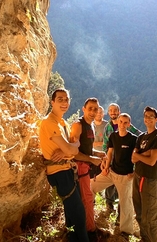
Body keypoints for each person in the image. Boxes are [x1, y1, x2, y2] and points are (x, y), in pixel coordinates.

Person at [38, 88, 89, 242]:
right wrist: (69, 149)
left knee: (71, 212)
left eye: (66, 99)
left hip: (66, 170)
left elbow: (73, 148)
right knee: (79, 213)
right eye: (60, 99)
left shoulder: (63, 123)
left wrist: (70, 149)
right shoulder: (49, 123)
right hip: (58, 172)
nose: (64, 102)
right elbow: (71, 149)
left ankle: (72, 238)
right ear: (52, 102)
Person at [91, 113, 137, 237]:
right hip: (111, 172)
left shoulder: (133, 139)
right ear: (117, 122)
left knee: (126, 204)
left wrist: (134, 172)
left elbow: (136, 156)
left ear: (129, 124)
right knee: (90, 185)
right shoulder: (113, 136)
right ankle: (87, 215)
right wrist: (105, 168)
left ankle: (126, 232)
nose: (122, 124)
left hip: (125, 177)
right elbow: (110, 153)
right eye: (121, 121)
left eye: (125, 122)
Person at [70, 97, 109, 241]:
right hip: (79, 167)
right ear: (83, 109)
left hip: (85, 166)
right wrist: (92, 159)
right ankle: (90, 231)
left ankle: (88, 228)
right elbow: (73, 152)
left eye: (96, 109)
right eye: (90, 108)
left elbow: (85, 148)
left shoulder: (90, 125)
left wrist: (97, 153)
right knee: (87, 198)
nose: (93, 111)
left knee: (87, 198)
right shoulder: (78, 125)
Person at [132, 106, 157, 242]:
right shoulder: (141, 137)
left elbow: (152, 161)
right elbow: (132, 158)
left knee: (150, 217)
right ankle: (144, 238)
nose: (148, 119)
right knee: (139, 213)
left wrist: (139, 154)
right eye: (146, 116)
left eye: (151, 116)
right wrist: (144, 154)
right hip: (137, 175)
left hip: (149, 180)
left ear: (156, 119)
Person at [102, 103, 141, 213]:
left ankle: (121, 210)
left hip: (125, 161)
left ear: (119, 112)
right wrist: (105, 160)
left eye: (115, 110)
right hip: (112, 160)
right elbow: (105, 144)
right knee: (110, 184)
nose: (113, 112)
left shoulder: (127, 124)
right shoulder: (108, 127)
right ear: (108, 113)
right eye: (110, 110)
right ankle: (109, 205)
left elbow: (139, 135)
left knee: (123, 188)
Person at [89, 105, 108, 178]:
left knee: (103, 179)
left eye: (101, 112)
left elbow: (109, 142)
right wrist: (101, 143)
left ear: (103, 114)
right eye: (97, 112)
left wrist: (96, 144)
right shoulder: (90, 125)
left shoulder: (107, 125)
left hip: (104, 158)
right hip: (92, 157)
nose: (99, 114)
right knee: (91, 179)